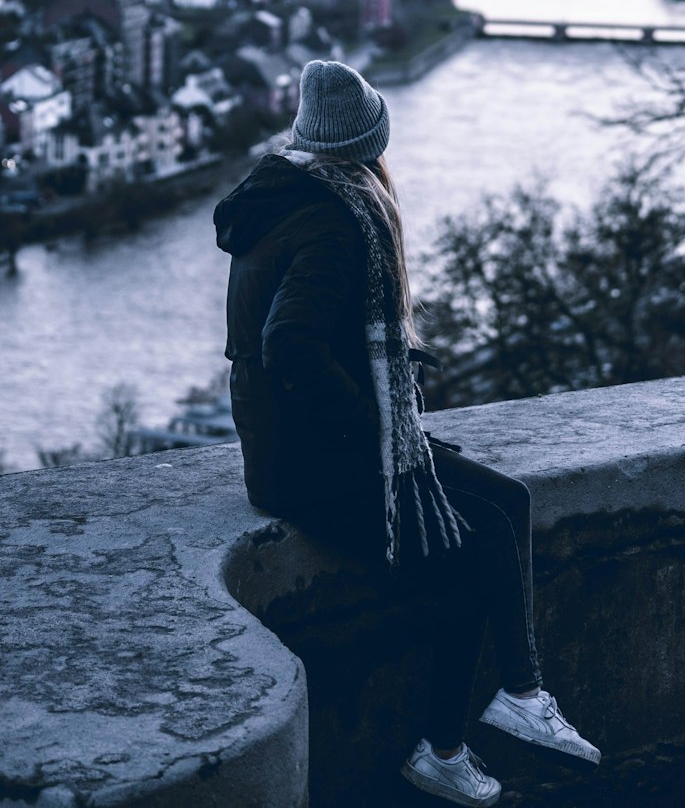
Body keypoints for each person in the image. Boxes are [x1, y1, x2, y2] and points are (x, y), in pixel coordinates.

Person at [214, 59, 600, 806]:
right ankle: (441, 752)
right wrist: (377, 434)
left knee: (507, 500)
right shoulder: (335, 219)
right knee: (461, 564)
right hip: (310, 465)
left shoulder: (289, 195)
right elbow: (289, 346)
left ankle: (521, 694)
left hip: (309, 446)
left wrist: (393, 434)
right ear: (370, 144)